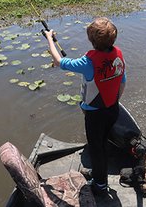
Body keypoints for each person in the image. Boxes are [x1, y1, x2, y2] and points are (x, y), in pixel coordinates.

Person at [44, 17, 126, 196]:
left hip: (95, 116)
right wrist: (113, 102)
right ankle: (99, 173)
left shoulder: (87, 63)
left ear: (91, 40)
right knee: (102, 143)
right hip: (113, 110)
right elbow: (122, 82)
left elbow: (58, 61)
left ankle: (100, 185)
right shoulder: (118, 55)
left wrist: (49, 37)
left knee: (96, 148)